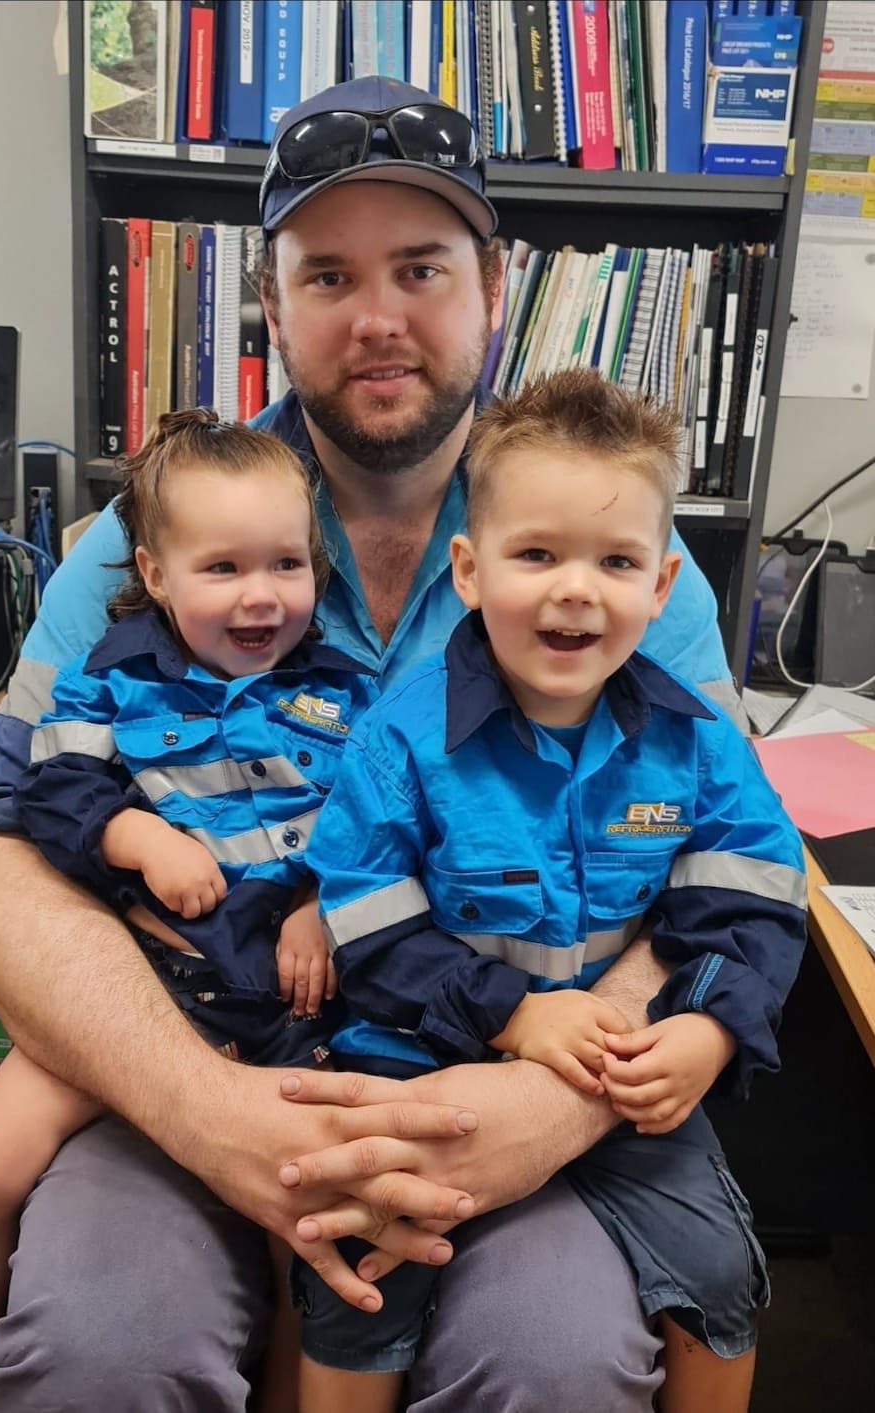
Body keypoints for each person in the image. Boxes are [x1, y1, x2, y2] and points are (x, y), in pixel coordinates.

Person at [0, 74, 749, 1412]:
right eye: (326, 277)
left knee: (553, 1365)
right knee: (99, 1350)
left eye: (421, 268)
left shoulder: (615, 553)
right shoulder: (155, 531)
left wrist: (555, 1104)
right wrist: (209, 1109)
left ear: (495, 286)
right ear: (273, 307)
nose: (376, 318)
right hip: (199, 1049)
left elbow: (723, 870)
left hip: (499, 1075)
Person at [297, 370, 806, 1413]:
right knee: (358, 1283)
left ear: (660, 588)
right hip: (419, 1068)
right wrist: (514, 1017)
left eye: (614, 561)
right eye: (537, 555)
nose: (577, 589)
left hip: (630, 1089)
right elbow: (366, 923)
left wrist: (707, 1032)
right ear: (471, 571)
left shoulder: (700, 745)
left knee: (721, 1279)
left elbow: (752, 900)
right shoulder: (398, 739)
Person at [0, 410, 388, 1413]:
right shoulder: (111, 678)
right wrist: (141, 840)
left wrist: (319, 908)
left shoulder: (347, 692)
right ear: (157, 574)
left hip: (282, 1013)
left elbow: (383, 824)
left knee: (306, 1234)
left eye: (287, 565)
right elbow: (51, 796)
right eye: (222, 569)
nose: (262, 597)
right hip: (141, 999)